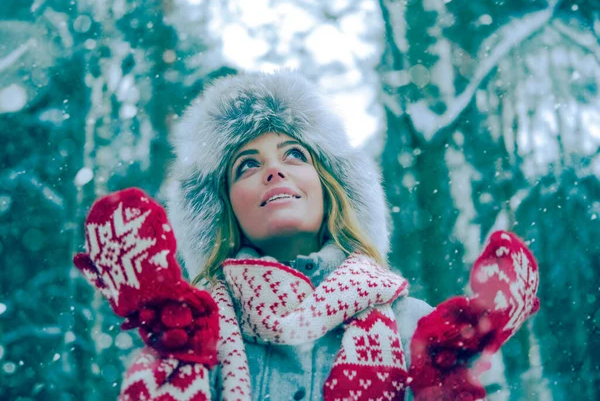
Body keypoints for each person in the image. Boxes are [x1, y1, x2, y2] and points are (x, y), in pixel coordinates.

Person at [73, 70, 540, 401]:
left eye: (294, 154)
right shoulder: (191, 331)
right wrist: (166, 341)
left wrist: (452, 373)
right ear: (225, 209)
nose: (274, 170)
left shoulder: (411, 326)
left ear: (330, 189)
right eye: (247, 165)